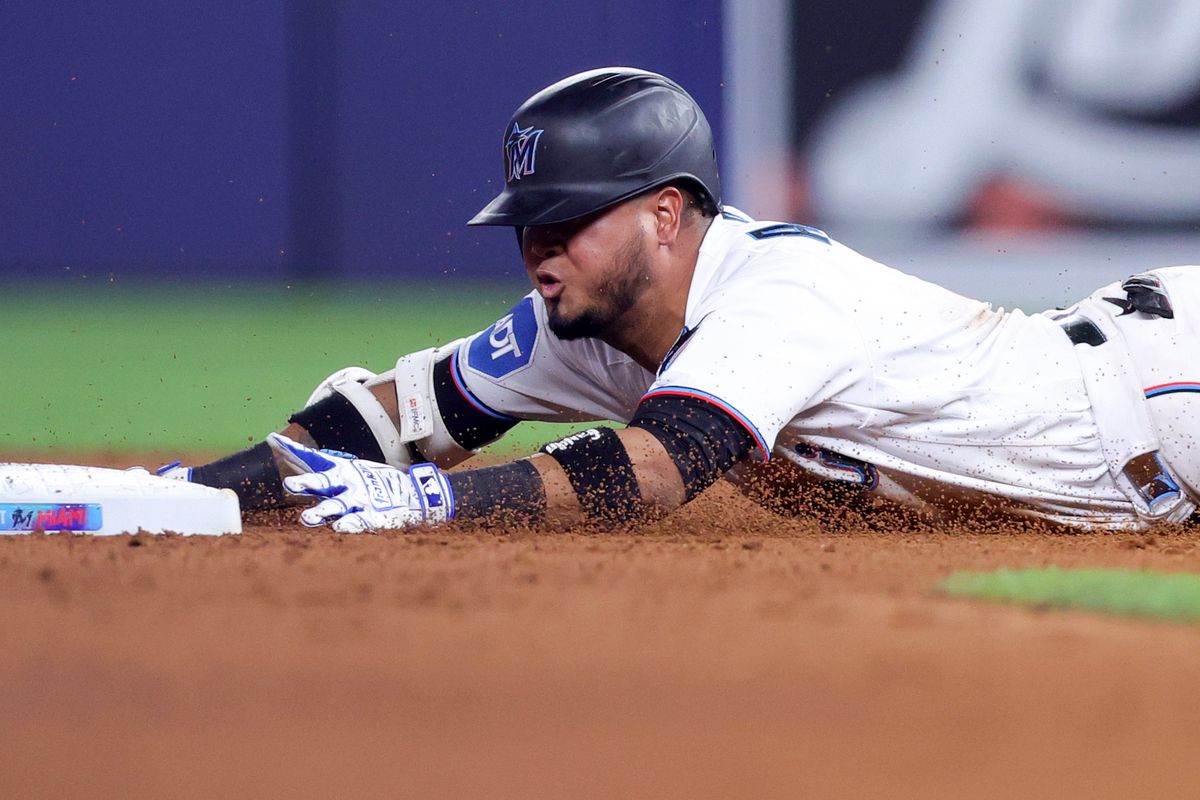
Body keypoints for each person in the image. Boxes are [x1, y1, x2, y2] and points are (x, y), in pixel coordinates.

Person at [164, 66, 1200, 532]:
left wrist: (440, 500)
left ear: (666, 214)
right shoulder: (588, 315)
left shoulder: (777, 294)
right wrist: (196, 491)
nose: (541, 247)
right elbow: (402, 413)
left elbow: (657, 467)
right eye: (531, 224)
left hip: (1166, 391)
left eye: (569, 219)